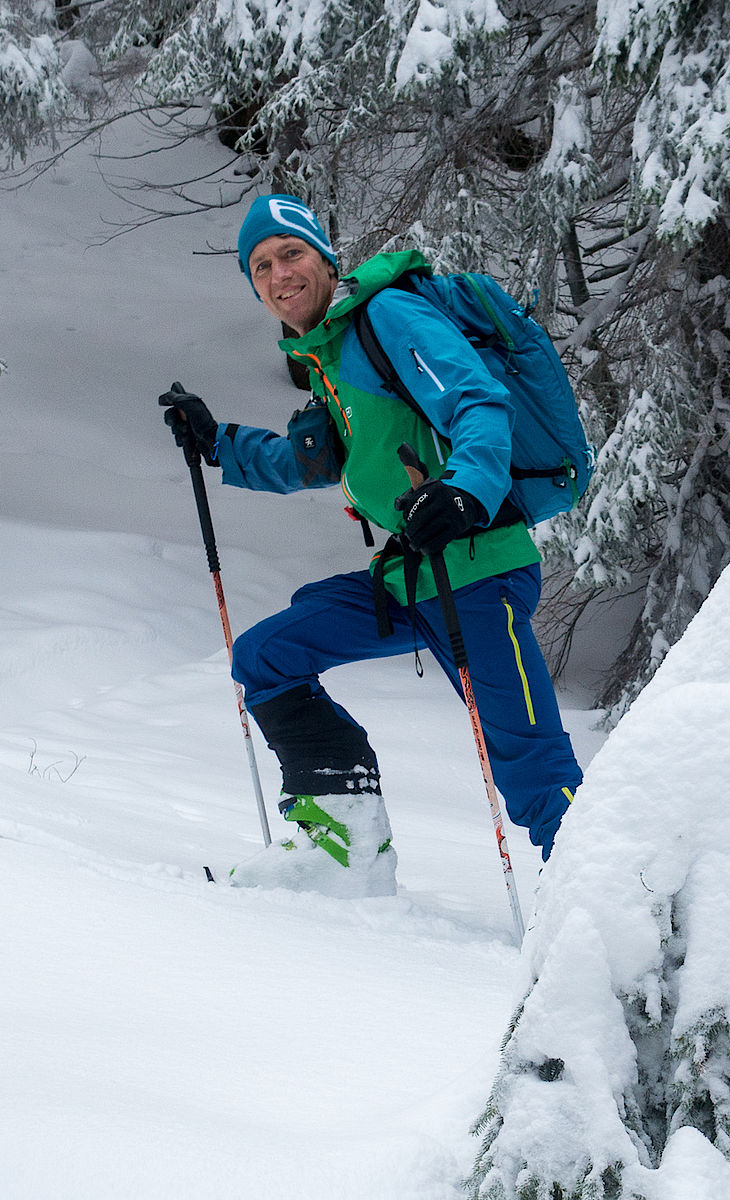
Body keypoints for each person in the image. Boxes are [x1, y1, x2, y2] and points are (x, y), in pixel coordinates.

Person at [160, 194, 583, 898]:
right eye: (259, 266)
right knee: (267, 655)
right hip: (408, 582)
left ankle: (609, 912)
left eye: (290, 253)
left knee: (530, 767)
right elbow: (317, 461)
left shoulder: (388, 317)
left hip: (478, 573)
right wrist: (218, 445)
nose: (277, 274)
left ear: (325, 260)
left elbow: (477, 403)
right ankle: (342, 844)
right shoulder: (330, 354)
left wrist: (464, 490)